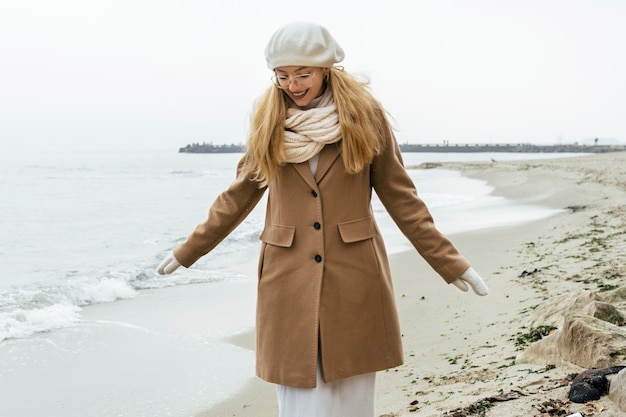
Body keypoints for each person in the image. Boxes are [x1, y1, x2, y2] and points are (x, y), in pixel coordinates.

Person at [157, 21, 489, 417]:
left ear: (327, 70)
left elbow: (403, 200)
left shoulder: (365, 118)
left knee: (351, 397)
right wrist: (187, 251)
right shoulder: (268, 122)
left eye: (303, 75)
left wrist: (450, 263)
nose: (293, 85)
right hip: (287, 279)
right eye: (283, 76)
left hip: (354, 277)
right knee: (300, 402)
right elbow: (238, 196)